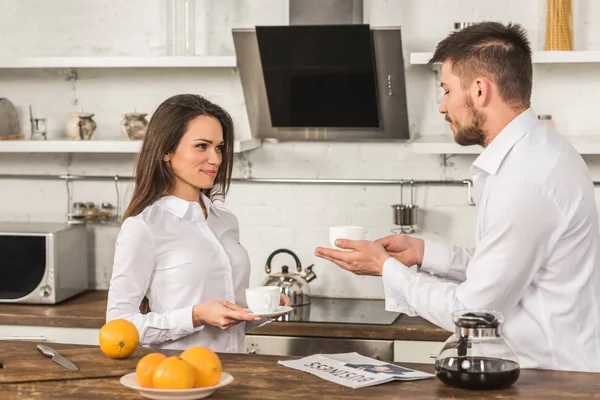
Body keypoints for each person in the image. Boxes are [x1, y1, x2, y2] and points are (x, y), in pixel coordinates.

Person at [315, 22, 600, 372]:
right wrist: (424, 254)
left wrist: (385, 268)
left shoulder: (524, 180)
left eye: (447, 90)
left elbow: (471, 312)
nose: (441, 106)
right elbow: (505, 264)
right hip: (551, 372)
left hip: (549, 380)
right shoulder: (541, 152)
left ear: (480, 90)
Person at [106, 94, 290, 352]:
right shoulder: (144, 226)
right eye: (202, 146)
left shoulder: (225, 221)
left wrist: (260, 312)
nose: (216, 159)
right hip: (179, 377)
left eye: (218, 147)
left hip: (234, 373)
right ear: (167, 151)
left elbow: (227, 322)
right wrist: (195, 315)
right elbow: (118, 326)